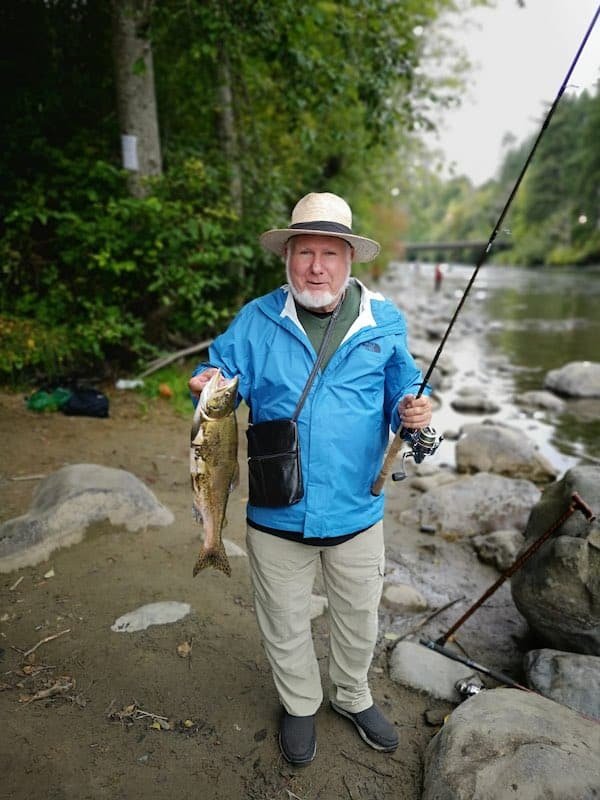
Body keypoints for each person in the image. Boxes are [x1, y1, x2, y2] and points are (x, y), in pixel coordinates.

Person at [189, 192, 433, 765]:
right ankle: (300, 703)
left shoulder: (384, 319)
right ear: (288, 257)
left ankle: (351, 694)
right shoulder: (256, 319)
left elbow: (404, 386)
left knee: (359, 618)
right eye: (305, 252)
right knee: (283, 620)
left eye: (329, 253)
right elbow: (219, 373)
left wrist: (413, 407)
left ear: (349, 260)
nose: (316, 267)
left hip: (356, 509)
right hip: (276, 510)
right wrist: (204, 381)